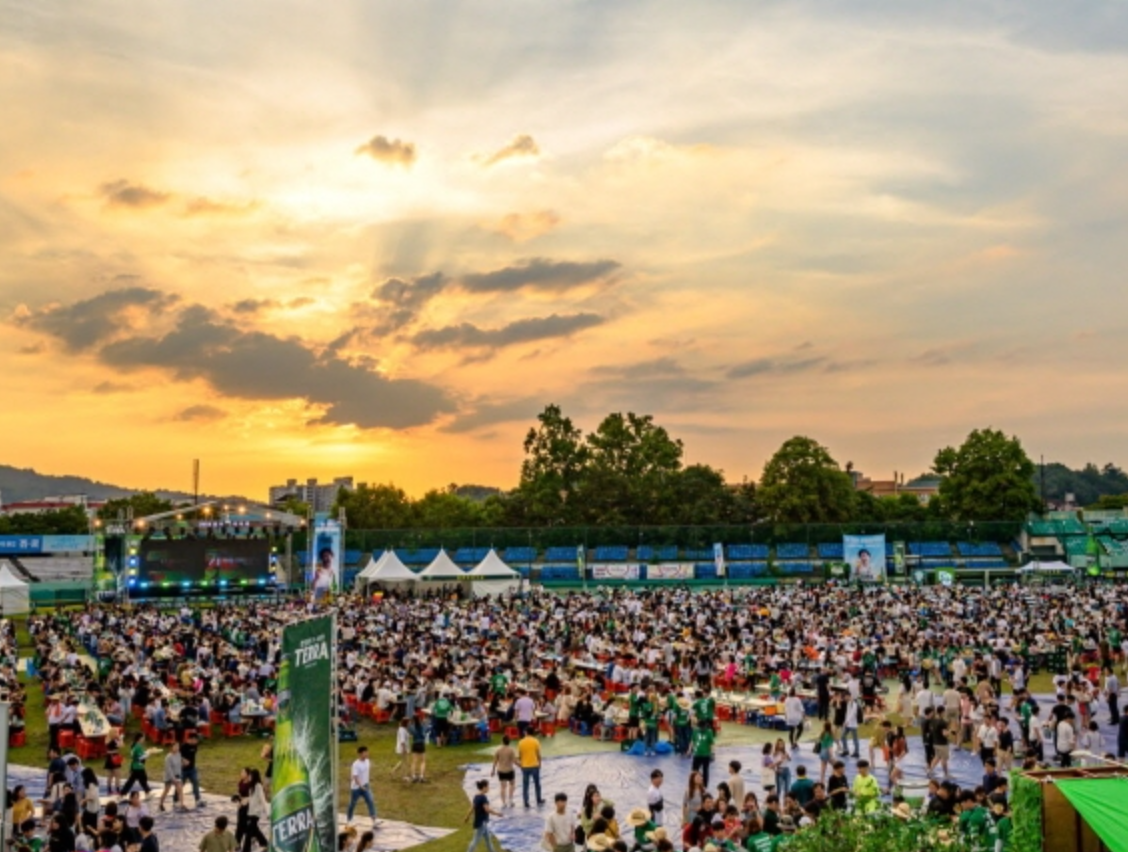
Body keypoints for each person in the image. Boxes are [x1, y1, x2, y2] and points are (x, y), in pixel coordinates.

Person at [464, 779, 502, 852]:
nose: (489, 788)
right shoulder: (483, 797)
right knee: (475, 841)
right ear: (484, 787)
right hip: (481, 823)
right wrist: (497, 813)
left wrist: (467, 816)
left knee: (488, 841)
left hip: (481, 822)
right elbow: (487, 809)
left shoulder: (476, 796)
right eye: (488, 786)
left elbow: (472, 807)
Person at [348, 746, 378, 824]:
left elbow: (365, 773)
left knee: (370, 801)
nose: (367, 754)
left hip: (366, 786)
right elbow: (355, 776)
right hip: (356, 788)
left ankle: (374, 819)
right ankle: (349, 819)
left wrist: (367, 782)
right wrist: (361, 786)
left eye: (367, 752)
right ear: (360, 754)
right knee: (353, 803)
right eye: (365, 753)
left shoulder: (368, 761)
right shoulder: (356, 764)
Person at [241, 769, 269, 852]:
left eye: (250, 775)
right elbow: (252, 798)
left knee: (249, 831)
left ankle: (246, 849)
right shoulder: (251, 786)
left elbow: (262, 799)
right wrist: (245, 801)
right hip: (251, 811)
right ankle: (264, 843)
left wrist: (267, 812)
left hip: (256, 813)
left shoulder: (258, 786)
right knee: (255, 829)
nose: (248, 777)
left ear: (254, 776)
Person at [517, 730, 544, 808]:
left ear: (526, 732)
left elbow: (520, 755)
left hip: (525, 766)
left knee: (525, 785)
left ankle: (526, 802)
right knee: (537, 784)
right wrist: (540, 763)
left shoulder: (521, 742)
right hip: (534, 765)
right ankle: (538, 799)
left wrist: (521, 764)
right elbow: (538, 754)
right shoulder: (536, 741)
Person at [158, 742, 186, 813]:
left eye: (178, 746)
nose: (177, 748)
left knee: (180, 789)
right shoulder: (168, 757)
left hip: (177, 775)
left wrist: (183, 763)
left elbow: (179, 765)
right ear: (171, 747)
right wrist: (173, 778)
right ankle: (160, 804)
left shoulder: (179, 754)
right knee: (166, 790)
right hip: (169, 776)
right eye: (175, 746)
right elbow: (168, 769)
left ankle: (182, 805)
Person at [491, 736, 517, 808]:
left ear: (502, 741)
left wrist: (493, 770)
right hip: (509, 770)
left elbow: (495, 761)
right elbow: (514, 761)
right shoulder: (511, 750)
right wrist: (521, 766)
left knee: (503, 787)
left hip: (501, 771)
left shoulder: (498, 750)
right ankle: (510, 800)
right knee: (512, 784)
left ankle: (503, 803)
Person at [690, 720, 715, 788]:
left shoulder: (709, 732)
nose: (703, 729)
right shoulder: (695, 731)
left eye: (704, 727)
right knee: (694, 771)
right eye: (701, 727)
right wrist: (689, 750)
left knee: (705, 770)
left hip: (705, 755)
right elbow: (692, 740)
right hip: (697, 754)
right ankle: (694, 784)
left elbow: (711, 743)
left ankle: (705, 785)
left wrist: (712, 753)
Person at [409, 715, 428, 783]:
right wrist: (425, 723)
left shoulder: (411, 727)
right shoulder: (422, 726)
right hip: (421, 744)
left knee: (414, 761)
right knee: (423, 761)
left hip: (414, 744)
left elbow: (411, 733)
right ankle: (421, 776)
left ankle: (413, 776)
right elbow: (425, 732)